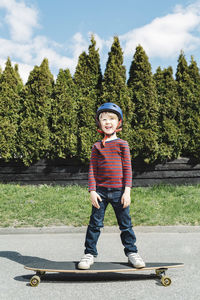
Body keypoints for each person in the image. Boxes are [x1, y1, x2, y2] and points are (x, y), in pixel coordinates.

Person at [78, 102, 145, 270]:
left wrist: (127, 192)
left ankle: (132, 252)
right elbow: (92, 170)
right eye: (104, 119)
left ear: (118, 122)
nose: (108, 122)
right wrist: (92, 191)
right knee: (95, 224)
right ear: (99, 123)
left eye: (112, 119)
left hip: (119, 192)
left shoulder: (123, 144)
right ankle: (89, 254)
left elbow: (127, 169)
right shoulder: (96, 146)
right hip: (100, 192)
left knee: (125, 225)